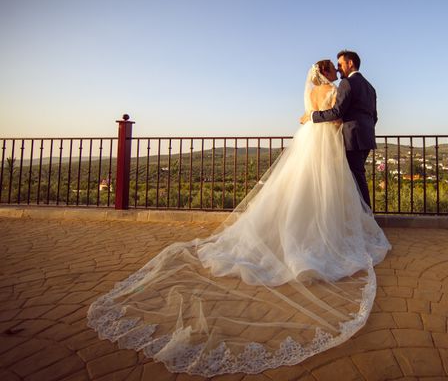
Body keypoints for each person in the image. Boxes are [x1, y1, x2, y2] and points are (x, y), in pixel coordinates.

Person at [87, 60, 390, 377]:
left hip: (313, 141)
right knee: (332, 188)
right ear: (326, 72)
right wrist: (329, 119)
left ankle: (310, 226)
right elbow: (337, 114)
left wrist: (312, 117)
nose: (336, 72)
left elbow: (321, 115)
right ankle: (336, 227)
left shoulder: (315, 92)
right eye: (332, 68)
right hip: (329, 144)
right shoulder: (336, 88)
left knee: (305, 190)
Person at [303, 50, 377, 208]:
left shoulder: (347, 83)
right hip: (366, 138)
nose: (338, 69)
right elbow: (374, 116)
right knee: (355, 178)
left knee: (356, 179)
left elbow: (337, 112)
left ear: (350, 64)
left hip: (352, 138)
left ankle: (366, 216)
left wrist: (312, 117)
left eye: (340, 64)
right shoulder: (370, 87)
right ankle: (360, 214)